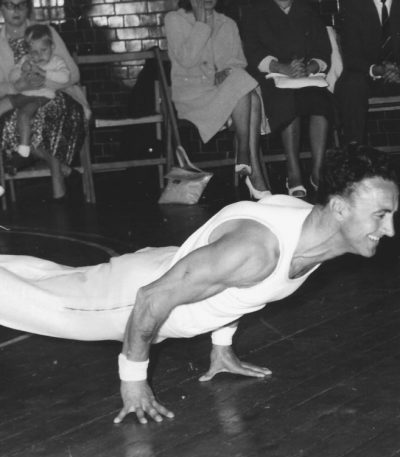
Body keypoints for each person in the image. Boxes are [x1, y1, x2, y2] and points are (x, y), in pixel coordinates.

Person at [0, 145, 397, 424]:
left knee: (42, 278)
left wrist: (221, 348)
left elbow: (237, 288)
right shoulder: (257, 251)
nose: (390, 229)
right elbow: (152, 298)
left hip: (166, 269)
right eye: (380, 215)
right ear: (340, 208)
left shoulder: (309, 226)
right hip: (125, 300)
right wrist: (133, 383)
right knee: (20, 299)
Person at [164, 0, 270, 200]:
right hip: (193, 96)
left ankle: (246, 160)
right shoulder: (174, 19)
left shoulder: (227, 23)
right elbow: (187, 59)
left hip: (223, 92)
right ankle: (247, 161)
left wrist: (226, 71)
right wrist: (201, 23)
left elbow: (238, 61)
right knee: (250, 94)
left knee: (247, 89)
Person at [0, 0, 90, 201]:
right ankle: (61, 172)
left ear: (28, 7)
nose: (15, 10)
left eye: (21, 4)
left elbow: (73, 74)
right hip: (21, 99)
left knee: (37, 117)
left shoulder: (45, 32)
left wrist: (43, 81)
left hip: (58, 97)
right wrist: (18, 85)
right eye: (9, 4)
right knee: (15, 120)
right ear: (1, 8)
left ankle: (57, 179)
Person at [242, 0, 332, 196]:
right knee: (288, 100)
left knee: (321, 100)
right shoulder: (255, 12)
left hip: (304, 76)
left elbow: (323, 50)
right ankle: (294, 173)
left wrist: (311, 67)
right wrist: (281, 67)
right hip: (270, 79)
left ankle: (317, 172)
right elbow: (251, 51)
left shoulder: (307, 11)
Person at [335, 0, 400, 145]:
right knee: (351, 86)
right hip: (366, 74)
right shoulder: (353, 7)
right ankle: (355, 154)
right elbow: (351, 56)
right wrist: (377, 69)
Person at [8, 24, 70, 168]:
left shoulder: (56, 61)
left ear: (52, 47)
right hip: (23, 94)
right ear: (28, 51)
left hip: (41, 97)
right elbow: (12, 76)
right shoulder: (26, 60)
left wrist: (44, 73)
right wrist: (21, 70)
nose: (39, 55)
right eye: (34, 51)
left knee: (24, 115)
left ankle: (23, 151)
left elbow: (64, 77)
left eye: (43, 50)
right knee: (3, 104)